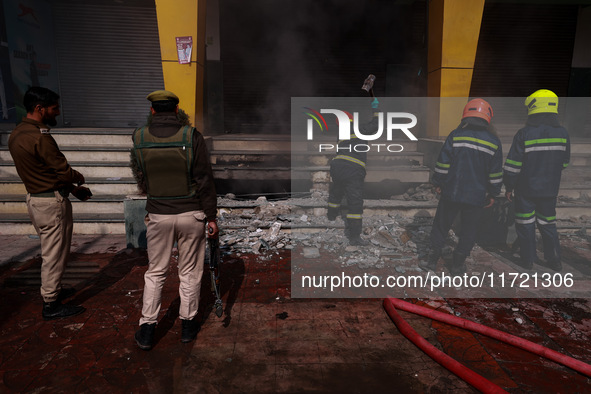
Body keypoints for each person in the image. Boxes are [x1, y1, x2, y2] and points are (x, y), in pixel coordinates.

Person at [132, 90, 218, 350]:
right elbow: (204, 179)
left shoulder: (139, 137)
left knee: (155, 272)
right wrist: (211, 217)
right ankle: (188, 327)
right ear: (177, 110)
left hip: (158, 214)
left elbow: (140, 174)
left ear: (152, 111)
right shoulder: (192, 136)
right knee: (190, 272)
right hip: (191, 213)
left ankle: (147, 329)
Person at [8, 86, 90, 320]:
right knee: (54, 254)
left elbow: (45, 172)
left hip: (36, 199)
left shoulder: (17, 133)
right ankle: (51, 304)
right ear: (39, 108)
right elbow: (62, 172)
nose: (57, 112)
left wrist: (72, 190)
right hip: (50, 204)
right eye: (54, 109)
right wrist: (76, 178)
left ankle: (54, 290)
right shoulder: (40, 136)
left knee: (52, 250)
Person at [420, 99, 502, 275]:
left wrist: (438, 183)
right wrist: (493, 193)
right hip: (476, 196)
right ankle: (457, 265)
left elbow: (443, 163)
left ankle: (431, 261)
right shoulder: (494, 142)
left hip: (452, 192)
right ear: (487, 118)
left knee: (441, 226)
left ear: (465, 116)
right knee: (469, 230)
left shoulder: (455, 135)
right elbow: (495, 173)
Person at [503, 89, 570, 271]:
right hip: (549, 191)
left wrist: (509, 186)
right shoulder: (563, 133)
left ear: (533, 108)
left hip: (526, 190)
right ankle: (554, 260)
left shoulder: (524, 134)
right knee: (548, 225)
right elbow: (564, 162)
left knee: (525, 225)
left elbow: (512, 166)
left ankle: (528, 260)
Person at [326, 98, 379, 246]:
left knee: (337, 191)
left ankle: (331, 216)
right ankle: (355, 237)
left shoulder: (340, 134)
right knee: (355, 202)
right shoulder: (359, 129)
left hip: (337, 168)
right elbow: (376, 125)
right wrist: (376, 109)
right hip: (353, 169)